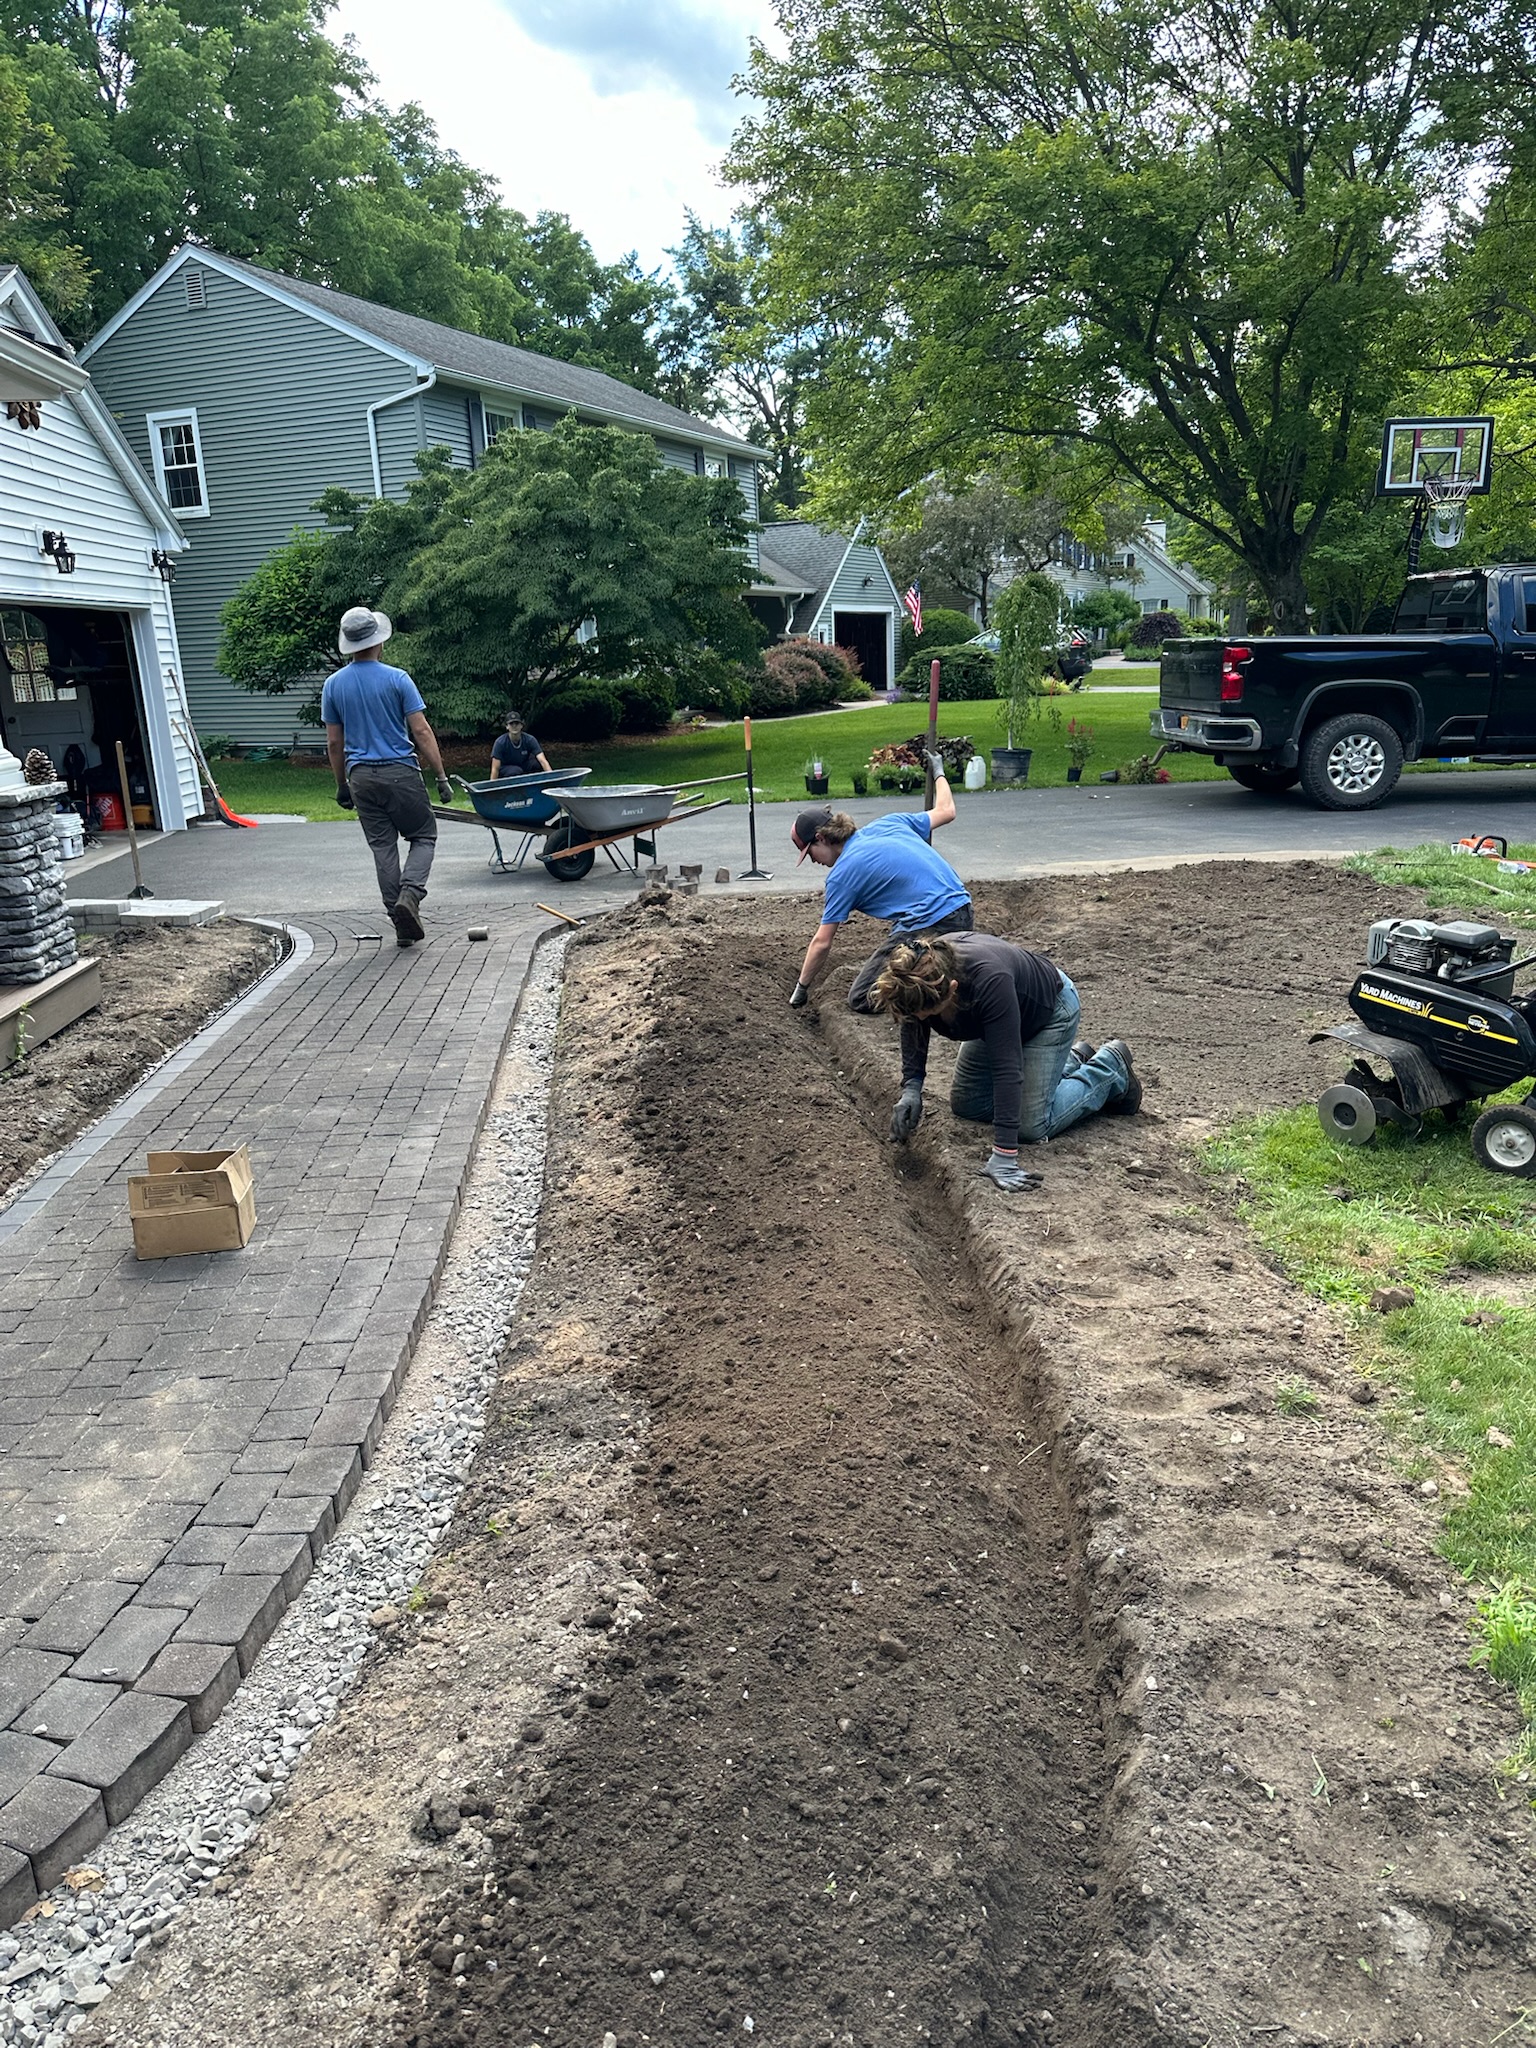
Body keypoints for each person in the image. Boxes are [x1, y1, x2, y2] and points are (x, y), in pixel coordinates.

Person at [870, 933, 1141, 1190]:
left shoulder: (987, 982)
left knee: (1031, 1126)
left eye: (928, 1013)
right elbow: (912, 1016)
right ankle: (1071, 1060)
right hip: (996, 1020)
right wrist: (912, 1087)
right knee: (968, 1105)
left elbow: (1007, 1069)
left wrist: (1004, 1155)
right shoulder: (921, 969)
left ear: (952, 989)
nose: (921, 1019)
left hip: (1049, 1012)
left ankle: (1110, 1068)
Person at [788, 752, 972, 1011]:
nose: (812, 860)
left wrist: (801, 989)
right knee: (900, 934)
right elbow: (946, 811)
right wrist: (938, 772)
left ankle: (929, 992)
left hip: (929, 923)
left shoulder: (842, 876)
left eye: (810, 853)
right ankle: (937, 974)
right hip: (963, 911)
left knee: (862, 997)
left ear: (821, 838)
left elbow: (822, 941)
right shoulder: (889, 823)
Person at [322, 606, 453, 948]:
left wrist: (341, 785)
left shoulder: (333, 685)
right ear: (379, 642)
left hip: (361, 778)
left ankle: (401, 923)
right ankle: (410, 895)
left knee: (383, 847)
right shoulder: (398, 679)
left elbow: (334, 742)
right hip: (400, 772)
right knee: (423, 836)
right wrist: (441, 776)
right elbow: (421, 731)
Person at [489, 711, 551, 780]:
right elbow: (495, 768)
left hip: (523, 765)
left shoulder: (530, 739)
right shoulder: (500, 743)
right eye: (511, 724)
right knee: (516, 771)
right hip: (506, 769)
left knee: (536, 764)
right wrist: (492, 785)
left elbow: (543, 760)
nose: (514, 726)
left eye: (517, 723)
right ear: (507, 726)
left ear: (521, 725)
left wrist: (552, 778)